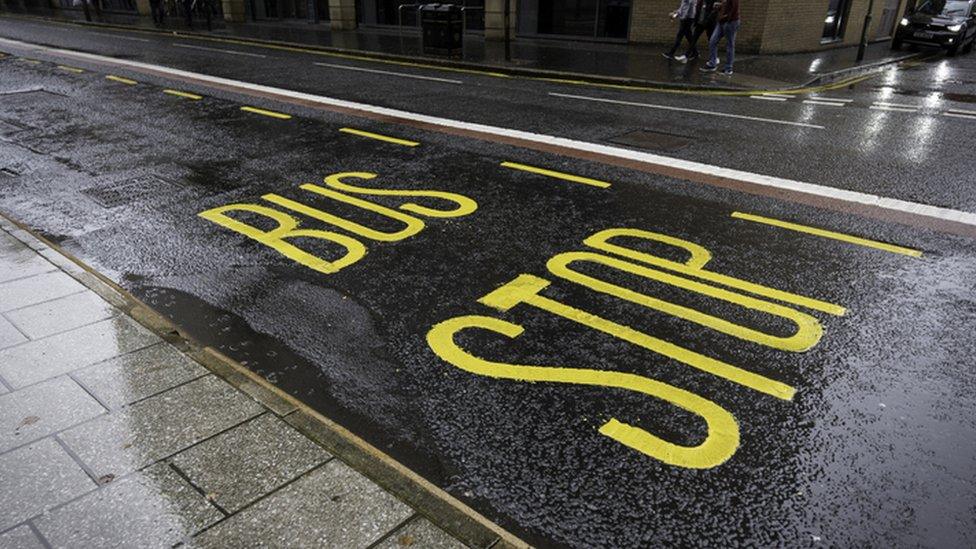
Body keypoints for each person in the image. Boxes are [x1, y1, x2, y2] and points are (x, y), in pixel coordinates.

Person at [701, 0, 739, 75]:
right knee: (712, 41)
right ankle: (712, 63)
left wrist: (727, 17)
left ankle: (728, 68)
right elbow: (724, 5)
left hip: (730, 22)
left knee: (729, 44)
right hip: (721, 22)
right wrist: (719, 6)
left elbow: (733, 8)